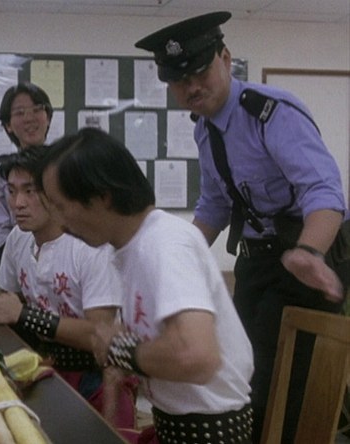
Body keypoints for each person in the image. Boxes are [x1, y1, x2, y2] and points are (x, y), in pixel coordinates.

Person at [135, 11, 346, 442]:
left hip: (306, 260)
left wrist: (309, 253)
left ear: (226, 59)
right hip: (257, 264)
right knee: (240, 369)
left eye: (200, 72)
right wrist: (174, 254)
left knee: (282, 387)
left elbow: (324, 190)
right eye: (179, 81)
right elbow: (215, 203)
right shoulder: (205, 129)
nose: (192, 87)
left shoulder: (271, 113)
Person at [40, 128, 254, 444]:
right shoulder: (131, 249)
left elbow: (197, 356)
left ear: (102, 197)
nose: (58, 221)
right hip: (174, 427)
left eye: (60, 206)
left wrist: (120, 349)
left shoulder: (164, 243)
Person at [0, 149, 135, 429]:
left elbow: (100, 335)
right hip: (46, 367)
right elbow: (2, 304)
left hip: (99, 376)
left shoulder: (91, 246)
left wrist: (25, 315)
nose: (17, 203)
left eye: (30, 191)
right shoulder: (18, 239)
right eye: (12, 192)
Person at [0, 82, 53, 252]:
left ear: (47, 117)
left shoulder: (66, 166)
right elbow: (0, 230)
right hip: (19, 256)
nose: (29, 118)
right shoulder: (1, 174)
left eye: (37, 109)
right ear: (8, 125)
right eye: (19, 113)